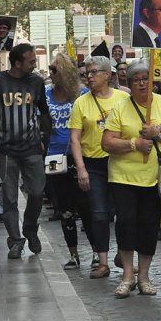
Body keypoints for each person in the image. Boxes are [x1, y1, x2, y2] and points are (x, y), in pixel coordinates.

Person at [101, 61, 161, 298]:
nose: (142, 83)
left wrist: (158, 133)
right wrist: (134, 143)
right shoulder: (119, 108)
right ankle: (127, 275)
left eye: (146, 78)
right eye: (136, 80)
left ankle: (144, 276)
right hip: (123, 177)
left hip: (153, 178)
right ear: (129, 83)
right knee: (125, 223)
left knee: (149, 226)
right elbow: (107, 142)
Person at [0, 43, 51, 259]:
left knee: (38, 191)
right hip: (5, 150)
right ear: (18, 63)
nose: (34, 64)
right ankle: (16, 239)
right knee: (9, 198)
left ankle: (30, 227)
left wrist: (46, 139)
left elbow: (43, 112)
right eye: (31, 61)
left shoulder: (37, 82)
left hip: (31, 147)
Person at [68, 55, 129, 279]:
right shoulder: (81, 102)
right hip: (93, 164)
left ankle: (123, 253)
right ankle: (102, 261)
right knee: (99, 213)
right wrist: (81, 168)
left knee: (123, 212)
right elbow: (75, 139)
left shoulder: (123, 98)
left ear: (107, 75)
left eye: (94, 72)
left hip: (120, 161)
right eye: (87, 73)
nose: (89, 77)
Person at [44, 53, 93, 271]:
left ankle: (95, 252)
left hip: (79, 155)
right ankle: (73, 254)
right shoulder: (45, 94)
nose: (50, 74)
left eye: (54, 70)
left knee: (86, 206)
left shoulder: (82, 94)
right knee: (64, 208)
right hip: (54, 155)